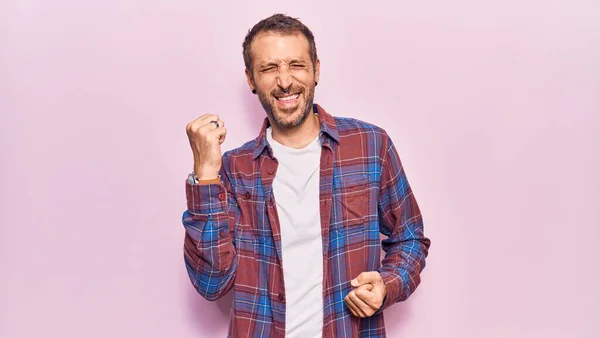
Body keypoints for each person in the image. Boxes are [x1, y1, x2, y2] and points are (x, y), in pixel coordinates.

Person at [182, 13, 430, 338]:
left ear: (316, 70)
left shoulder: (370, 146)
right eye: (269, 68)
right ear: (251, 79)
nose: (285, 81)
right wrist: (205, 174)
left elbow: (409, 237)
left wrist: (387, 284)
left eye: (296, 65)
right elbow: (212, 283)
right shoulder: (231, 169)